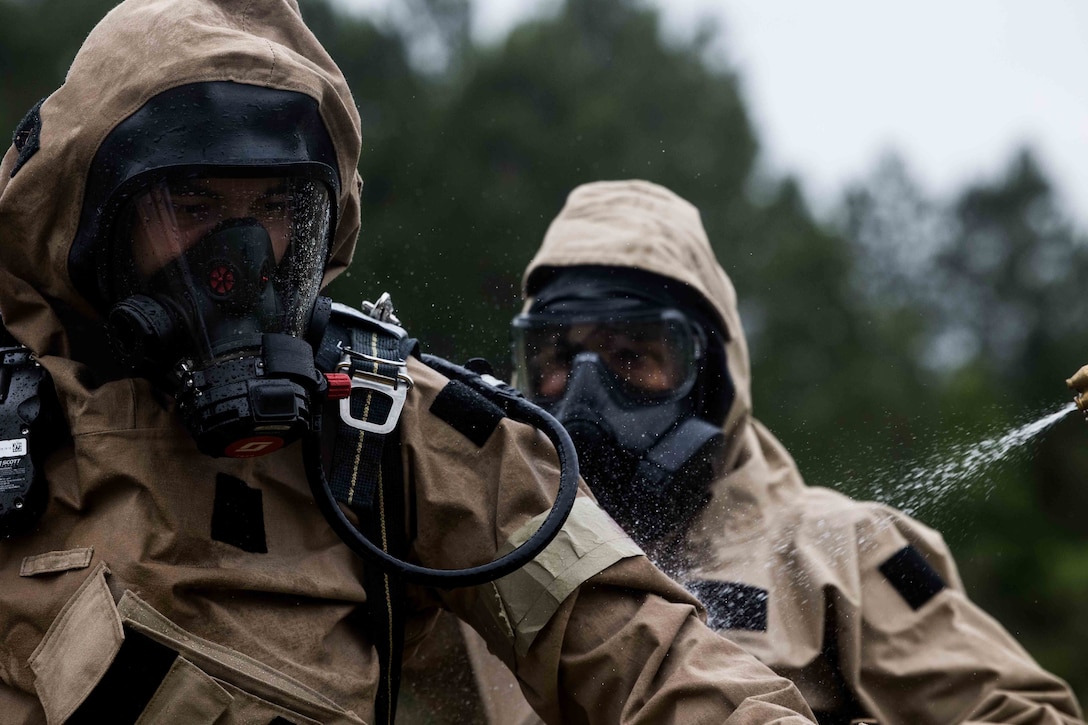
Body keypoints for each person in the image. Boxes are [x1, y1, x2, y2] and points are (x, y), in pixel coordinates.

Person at [0, 4, 821, 724]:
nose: (240, 259)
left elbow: (636, 641)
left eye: (278, 209)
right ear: (94, 217)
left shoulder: (381, 421)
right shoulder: (15, 398)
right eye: (194, 206)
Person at [401, 179, 1085, 725]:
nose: (584, 394)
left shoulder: (839, 547)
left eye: (631, 355)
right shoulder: (492, 554)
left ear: (713, 378)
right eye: (558, 355)